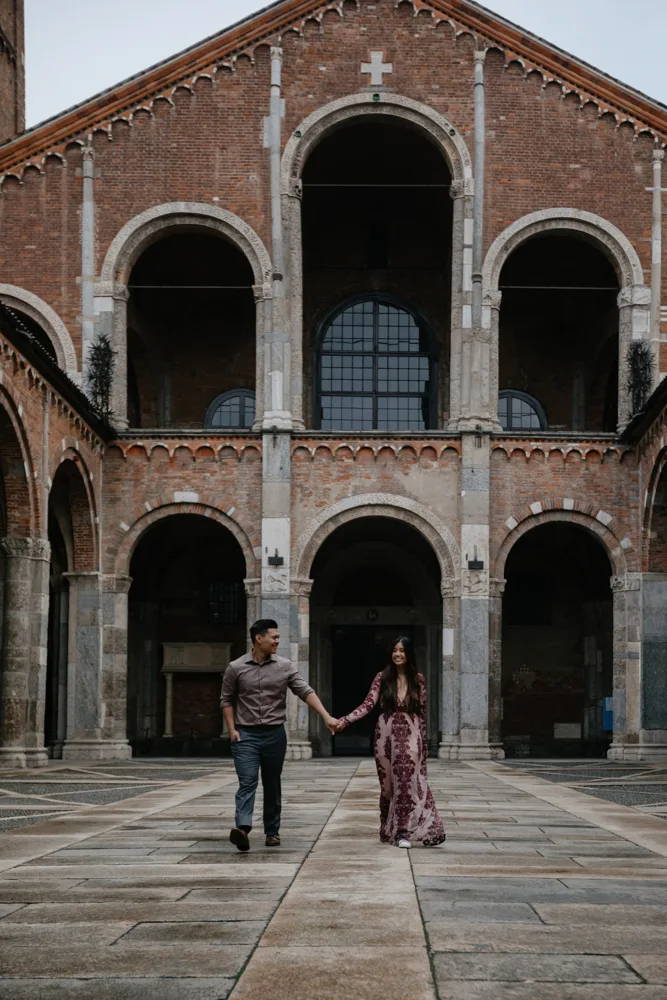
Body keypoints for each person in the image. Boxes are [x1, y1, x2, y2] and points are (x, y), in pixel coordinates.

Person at [221, 618, 338, 852]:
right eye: (273, 637)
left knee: (272, 783)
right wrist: (232, 730)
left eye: (278, 637)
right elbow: (226, 700)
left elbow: (305, 691)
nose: (277, 641)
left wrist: (326, 716)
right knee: (247, 781)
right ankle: (242, 829)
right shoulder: (236, 667)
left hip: (274, 734)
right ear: (258, 638)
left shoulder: (285, 666)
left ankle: (272, 831)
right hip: (245, 735)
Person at [332, 636, 446, 848]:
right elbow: (367, 704)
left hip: (411, 734)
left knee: (406, 781)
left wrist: (423, 744)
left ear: (409, 653)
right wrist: (345, 721)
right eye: (394, 650)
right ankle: (387, 826)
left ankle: (403, 832)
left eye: (402, 650)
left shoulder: (418, 680)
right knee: (388, 786)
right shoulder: (382, 677)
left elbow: (422, 713)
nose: (397, 654)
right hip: (385, 735)